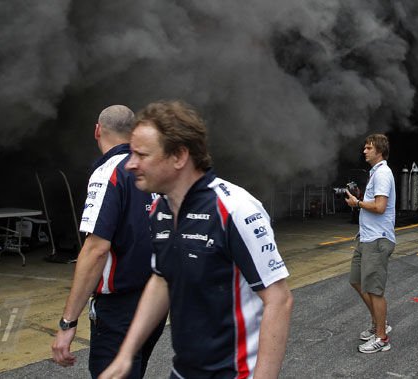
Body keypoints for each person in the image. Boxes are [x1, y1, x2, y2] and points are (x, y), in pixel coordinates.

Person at [99, 101, 292, 379]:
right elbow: (161, 278)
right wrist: (126, 354)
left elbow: (279, 299)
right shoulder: (159, 209)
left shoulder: (235, 209)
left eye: (142, 155)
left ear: (179, 156)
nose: (131, 164)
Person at [52, 105, 164, 378]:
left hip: (120, 309)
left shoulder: (108, 173)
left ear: (98, 130)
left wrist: (68, 322)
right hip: (156, 301)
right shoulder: (152, 170)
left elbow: (96, 249)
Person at [344, 133, 396, 354]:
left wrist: (357, 203)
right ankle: (379, 323)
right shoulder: (375, 173)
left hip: (377, 239)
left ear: (379, 151)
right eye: (364, 148)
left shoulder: (383, 173)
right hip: (366, 238)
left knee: (374, 290)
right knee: (356, 280)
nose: (364, 151)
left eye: (368, 148)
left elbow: (380, 206)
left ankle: (382, 337)